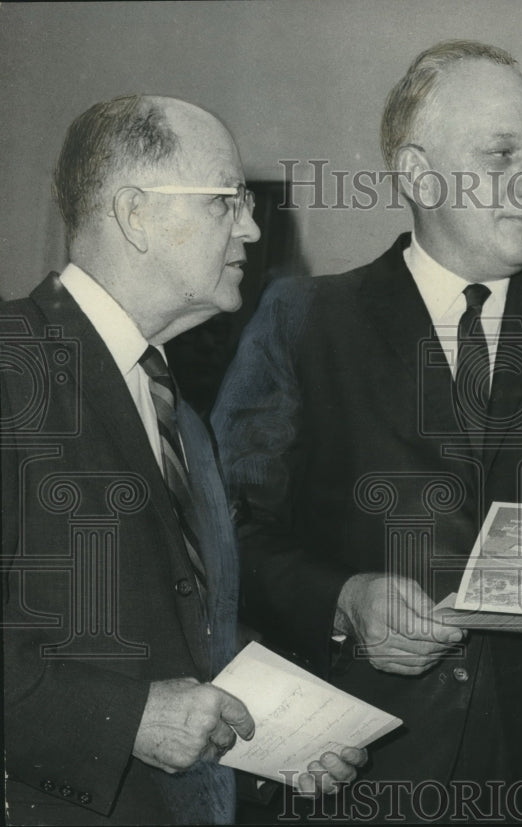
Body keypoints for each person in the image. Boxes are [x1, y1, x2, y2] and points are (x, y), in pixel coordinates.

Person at [212, 40, 522, 822]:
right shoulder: (304, 321)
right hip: (355, 775)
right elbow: (225, 531)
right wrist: (343, 598)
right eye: (502, 155)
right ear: (417, 172)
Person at [1, 95, 366, 826]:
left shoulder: (183, 419)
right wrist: (124, 717)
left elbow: (184, 635)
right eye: (227, 201)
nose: (254, 228)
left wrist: (277, 732)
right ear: (135, 214)